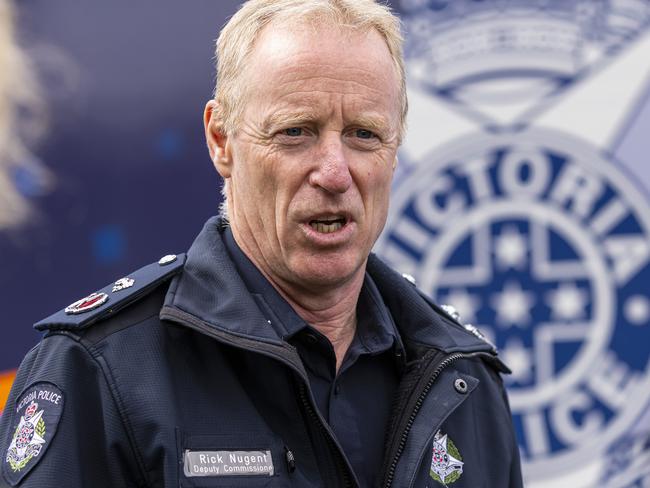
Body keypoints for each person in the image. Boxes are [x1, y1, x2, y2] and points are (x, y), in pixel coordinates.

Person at [0, 0, 523, 486]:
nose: (335, 172)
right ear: (221, 141)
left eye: (364, 134)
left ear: (395, 149)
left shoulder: (463, 379)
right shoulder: (98, 372)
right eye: (296, 131)